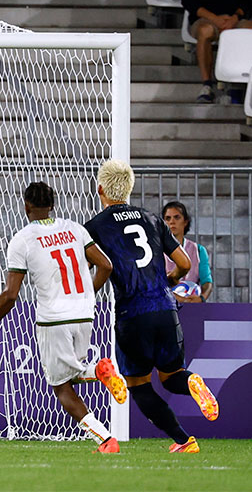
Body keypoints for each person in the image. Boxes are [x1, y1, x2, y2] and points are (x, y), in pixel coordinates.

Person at [0, 182, 124, 454]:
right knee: (70, 374)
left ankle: (106, 440)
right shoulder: (75, 229)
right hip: (84, 314)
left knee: (60, 386)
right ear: (53, 204)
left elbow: (10, 294)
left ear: (26, 206)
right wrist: (87, 294)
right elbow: (106, 265)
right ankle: (98, 372)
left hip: (54, 318)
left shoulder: (22, 239)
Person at [84, 160, 219, 453]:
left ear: (100, 189)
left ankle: (184, 440)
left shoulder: (94, 227)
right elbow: (184, 263)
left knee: (139, 384)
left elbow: (93, 269)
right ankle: (193, 382)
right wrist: (169, 280)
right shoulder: (152, 219)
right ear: (129, 189)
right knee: (172, 378)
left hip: (132, 313)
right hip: (166, 308)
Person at [162, 201, 213, 302]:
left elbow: (207, 281)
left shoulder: (198, 250)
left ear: (185, 222)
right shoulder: (156, 251)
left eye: (177, 217)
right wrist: (179, 299)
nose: (172, 221)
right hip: (165, 306)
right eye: (168, 218)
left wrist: (201, 298)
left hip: (192, 305)